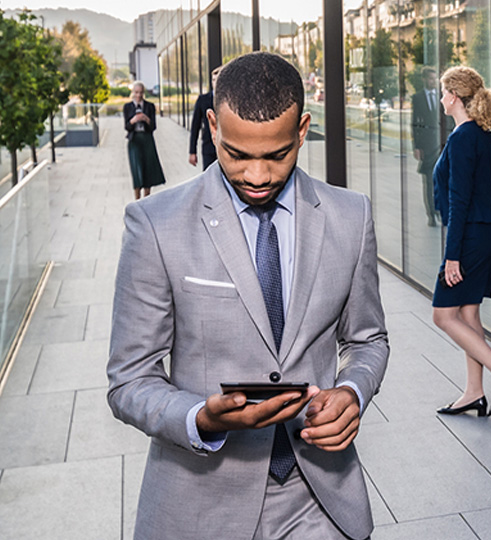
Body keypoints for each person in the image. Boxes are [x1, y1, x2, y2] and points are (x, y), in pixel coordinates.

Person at [107, 52, 389, 540]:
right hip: (201, 506)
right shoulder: (155, 224)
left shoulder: (351, 216)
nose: (257, 177)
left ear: (302, 131)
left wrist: (353, 392)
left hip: (320, 499)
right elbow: (129, 380)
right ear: (213, 126)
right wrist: (200, 417)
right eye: (237, 154)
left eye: (277, 155)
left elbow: (368, 339)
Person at [431, 66, 491, 418]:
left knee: (443, 315)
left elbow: (459, 201)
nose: (442, 99)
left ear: (455, 97)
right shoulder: (482, 135)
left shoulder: (462, 138)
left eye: (444, 93)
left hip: (470, 235)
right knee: (468, 312)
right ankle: (474, 392)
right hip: (486, 230)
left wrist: (452, 256)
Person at [411, 67, 443, 226]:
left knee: (443, 180)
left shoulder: (442, 96)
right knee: (429, 182)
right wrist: (416, 146)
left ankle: (440, 210)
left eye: (435, 78)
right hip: (428, 146)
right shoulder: (417, 98)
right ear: (424, 79)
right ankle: (431, 214)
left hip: (442, 145)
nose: (433, 81)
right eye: (430, 79)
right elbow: (415, 123)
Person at [123, 81, 166, 199]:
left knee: (148, 168)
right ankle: (137, 200)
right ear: (133, 93)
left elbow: (153, 127)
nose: (138, 95)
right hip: (134, 140)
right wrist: (133, 120)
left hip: (147, 139)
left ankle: (146, 199)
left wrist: (146, 119)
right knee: (136, 169)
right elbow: (126, 127)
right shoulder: (128, 107)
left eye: (141, 93)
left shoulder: (149, 106)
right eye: (136, 92)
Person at [189, 65, 222, 170]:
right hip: (208, 148)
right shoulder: (202, 100)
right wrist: (192, 151)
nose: (215, 83)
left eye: (219, 80)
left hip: (227, 148)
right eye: (213, 80)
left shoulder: (232, 100)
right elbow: (195, 126)